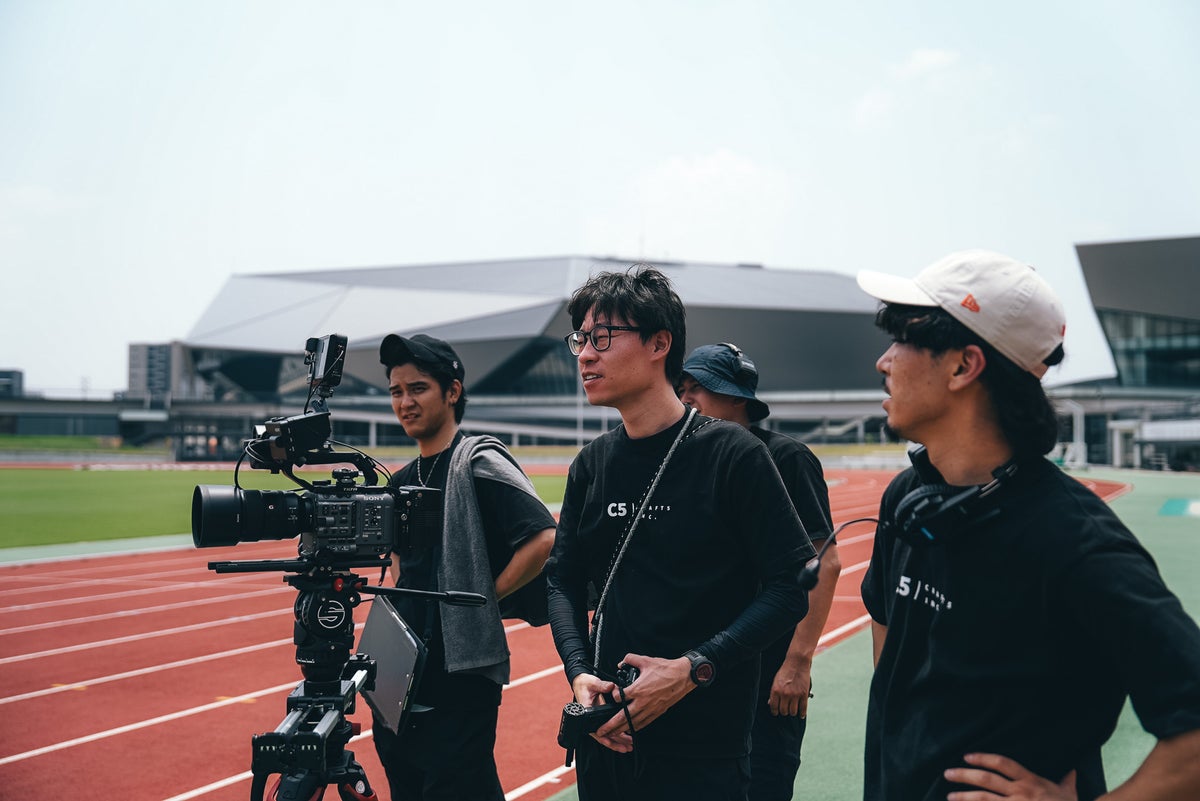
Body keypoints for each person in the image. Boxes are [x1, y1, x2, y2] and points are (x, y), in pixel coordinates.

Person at [856, 250, 1200, 800]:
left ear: (964, 366)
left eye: (902, 339)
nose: (884, 360)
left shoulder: (1075, 542)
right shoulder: (908, 499)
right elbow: (887, 630)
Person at [544, 265, 817, 801]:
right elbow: (562, 582)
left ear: (659, 344)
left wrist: (692, 669)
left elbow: (790, 586)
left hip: (704, 747)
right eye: (581, 339)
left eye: (603, 337)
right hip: (607, 733)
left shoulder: (733, 454)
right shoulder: (592, 464)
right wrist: (579, 672)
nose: (585, 355)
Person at [373, 333, 556, 801]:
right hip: (401, 670)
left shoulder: (478, 460)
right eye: (396, 391)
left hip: (460, 675)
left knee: (460, 787)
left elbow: (543, 537)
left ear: (452, 391)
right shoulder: (401, 480)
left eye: (418, 388)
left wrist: (481, 600)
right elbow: (399, 562)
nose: (405, 402)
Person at [678, 343, 839, 801]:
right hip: (703, 669)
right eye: (681, 387)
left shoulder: (787, 458)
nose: (685, 398)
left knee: (763, 784)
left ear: (736, 397)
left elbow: (824, 562)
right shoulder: (686, 460)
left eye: (698, 388)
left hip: (770, 674)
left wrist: (798, 662)